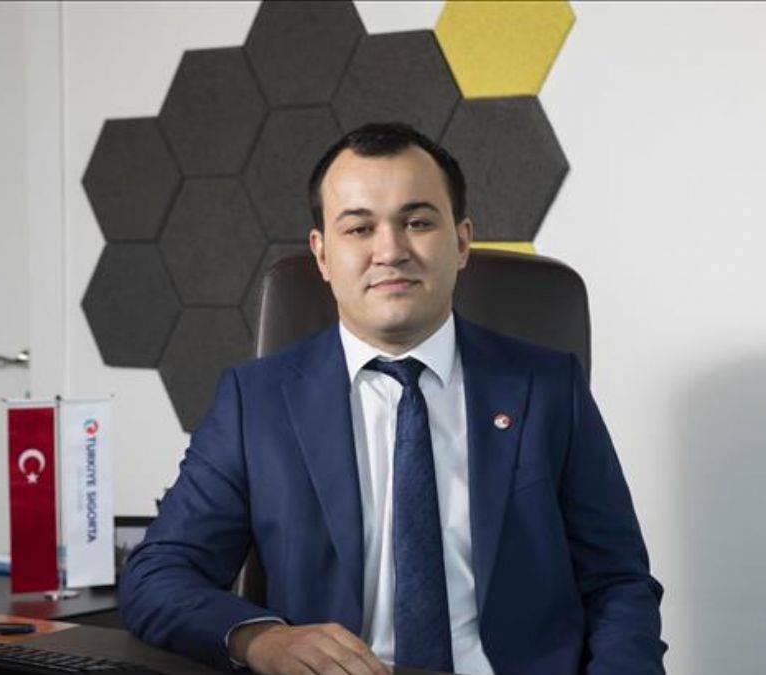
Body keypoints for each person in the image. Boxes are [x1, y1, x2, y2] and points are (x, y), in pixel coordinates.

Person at [120, 123, 666, 675]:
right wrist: (262, 639)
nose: (390, 251)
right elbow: (158, 574)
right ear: (322, 254)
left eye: (418, 222)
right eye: (359, 228)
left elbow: (618, 582)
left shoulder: (547, 388)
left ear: (461, 242)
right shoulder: (255, 403)